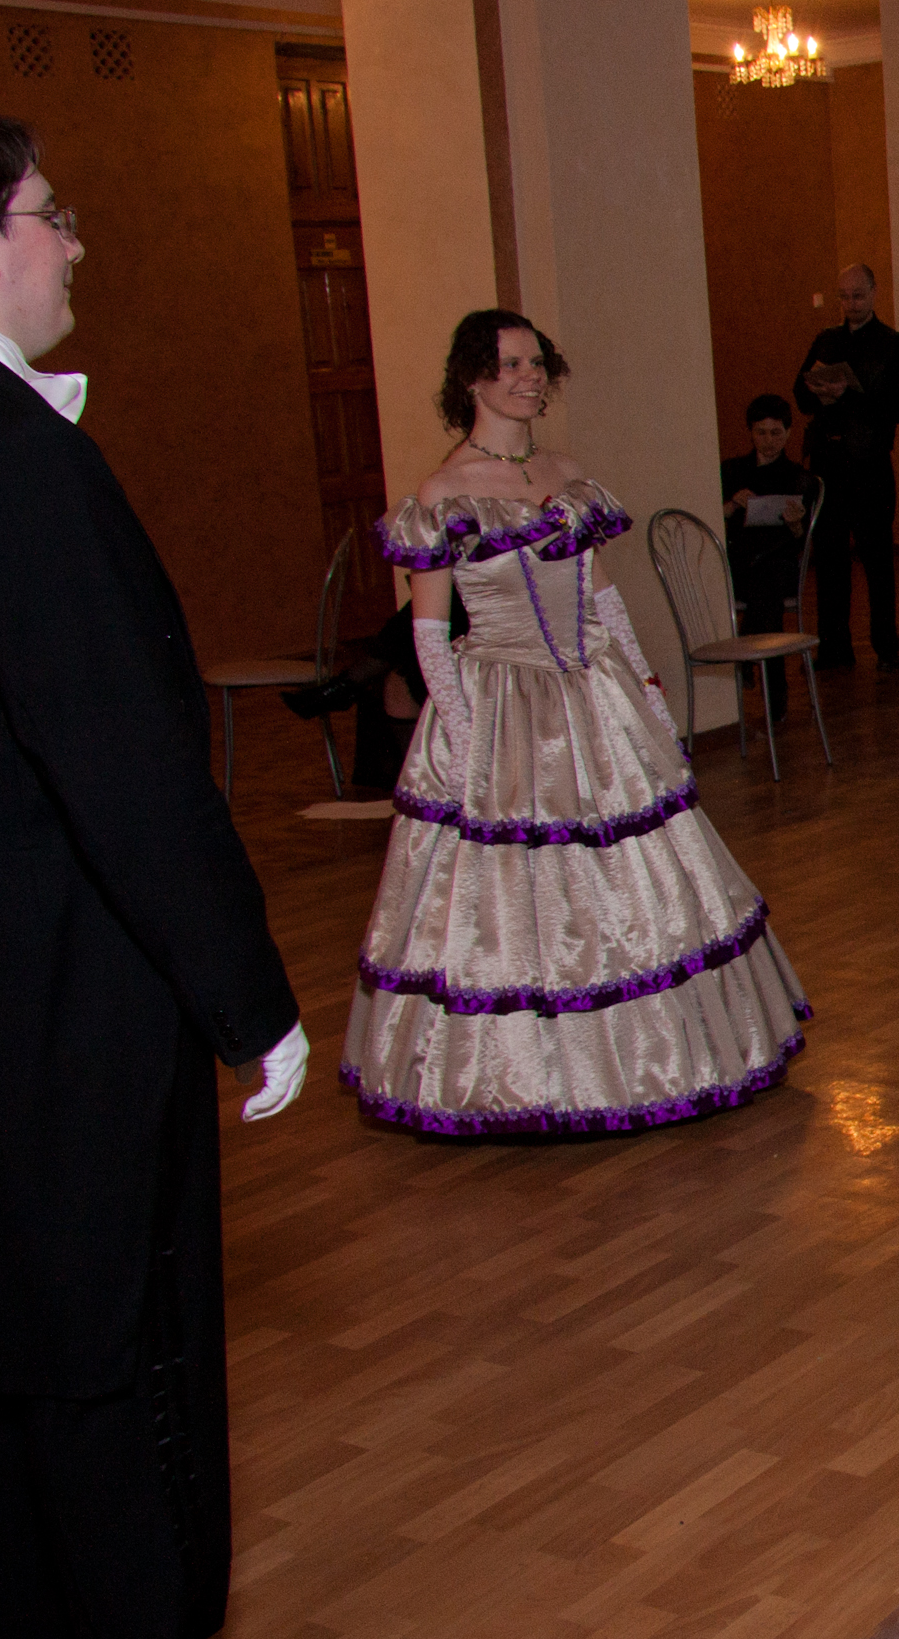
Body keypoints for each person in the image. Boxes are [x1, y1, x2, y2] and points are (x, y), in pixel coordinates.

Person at [0, 106, 339, 1639]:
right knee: (118, 1337)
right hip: (59, 978)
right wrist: (246, 996)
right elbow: (118, 761)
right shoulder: (9, 455)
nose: (74, 244)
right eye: (54, 214)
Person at [343, 309, 810, 1134]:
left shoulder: (564, 474)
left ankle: (659, 1059)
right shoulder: (444, 494)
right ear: (473, 379)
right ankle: (527, 1080)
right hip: (502, 699)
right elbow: (430, 634)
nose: (529, 378)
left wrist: (647, 688)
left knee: (635, 877)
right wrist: (463, 732)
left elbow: (601, 599)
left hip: (592, 692)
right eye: (511, 365)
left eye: (537, 364)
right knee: (513, 895)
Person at [794, 262, 899, 670]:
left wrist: (847, 393)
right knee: (829, 560)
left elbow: (896, 408)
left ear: (874, 292)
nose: (851, 304)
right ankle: (834, 648)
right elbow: (800, 393)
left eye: (858, 296)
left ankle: (886, 647)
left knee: (877, 559)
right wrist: (821, 394)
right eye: (844, 296)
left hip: (869, 465)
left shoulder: (892, 344)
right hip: (829, 463)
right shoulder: (826, 340)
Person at [722, 390, 811, 707]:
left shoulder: (798, 477)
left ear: (788, 433)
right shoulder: (732, 471)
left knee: (766, 587)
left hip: (778, 564)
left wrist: (796, 523)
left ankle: (750, 663)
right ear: (751, 432)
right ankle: (775, 696)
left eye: (776, 433)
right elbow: (713, 521)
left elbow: (802, 540)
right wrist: (733, 504)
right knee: (764, 595)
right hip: (740, 563)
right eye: (761, 432)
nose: (769, 440)